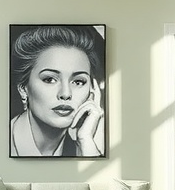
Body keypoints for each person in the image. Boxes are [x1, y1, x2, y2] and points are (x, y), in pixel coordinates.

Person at [10, 25, 105, 157]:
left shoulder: (82, 148)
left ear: (92, 91)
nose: (65, 94)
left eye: (78, 82)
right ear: (23, 88)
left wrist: (86, 139)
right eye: (49, 79)